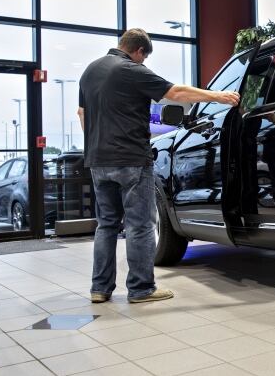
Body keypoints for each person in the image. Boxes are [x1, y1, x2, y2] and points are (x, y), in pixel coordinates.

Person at [77, 28, 239, 304]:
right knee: (140, 224)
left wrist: (96, 147)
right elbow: (175, 92)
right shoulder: (130, 69)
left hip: (98, 160)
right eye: (143, 58)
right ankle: (141, 288)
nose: (143, 63)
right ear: (139, 51)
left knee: (106, 225)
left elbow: (82, 113)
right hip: (130, 159)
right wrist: (219, 97)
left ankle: (100, 289)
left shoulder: (90, 72)